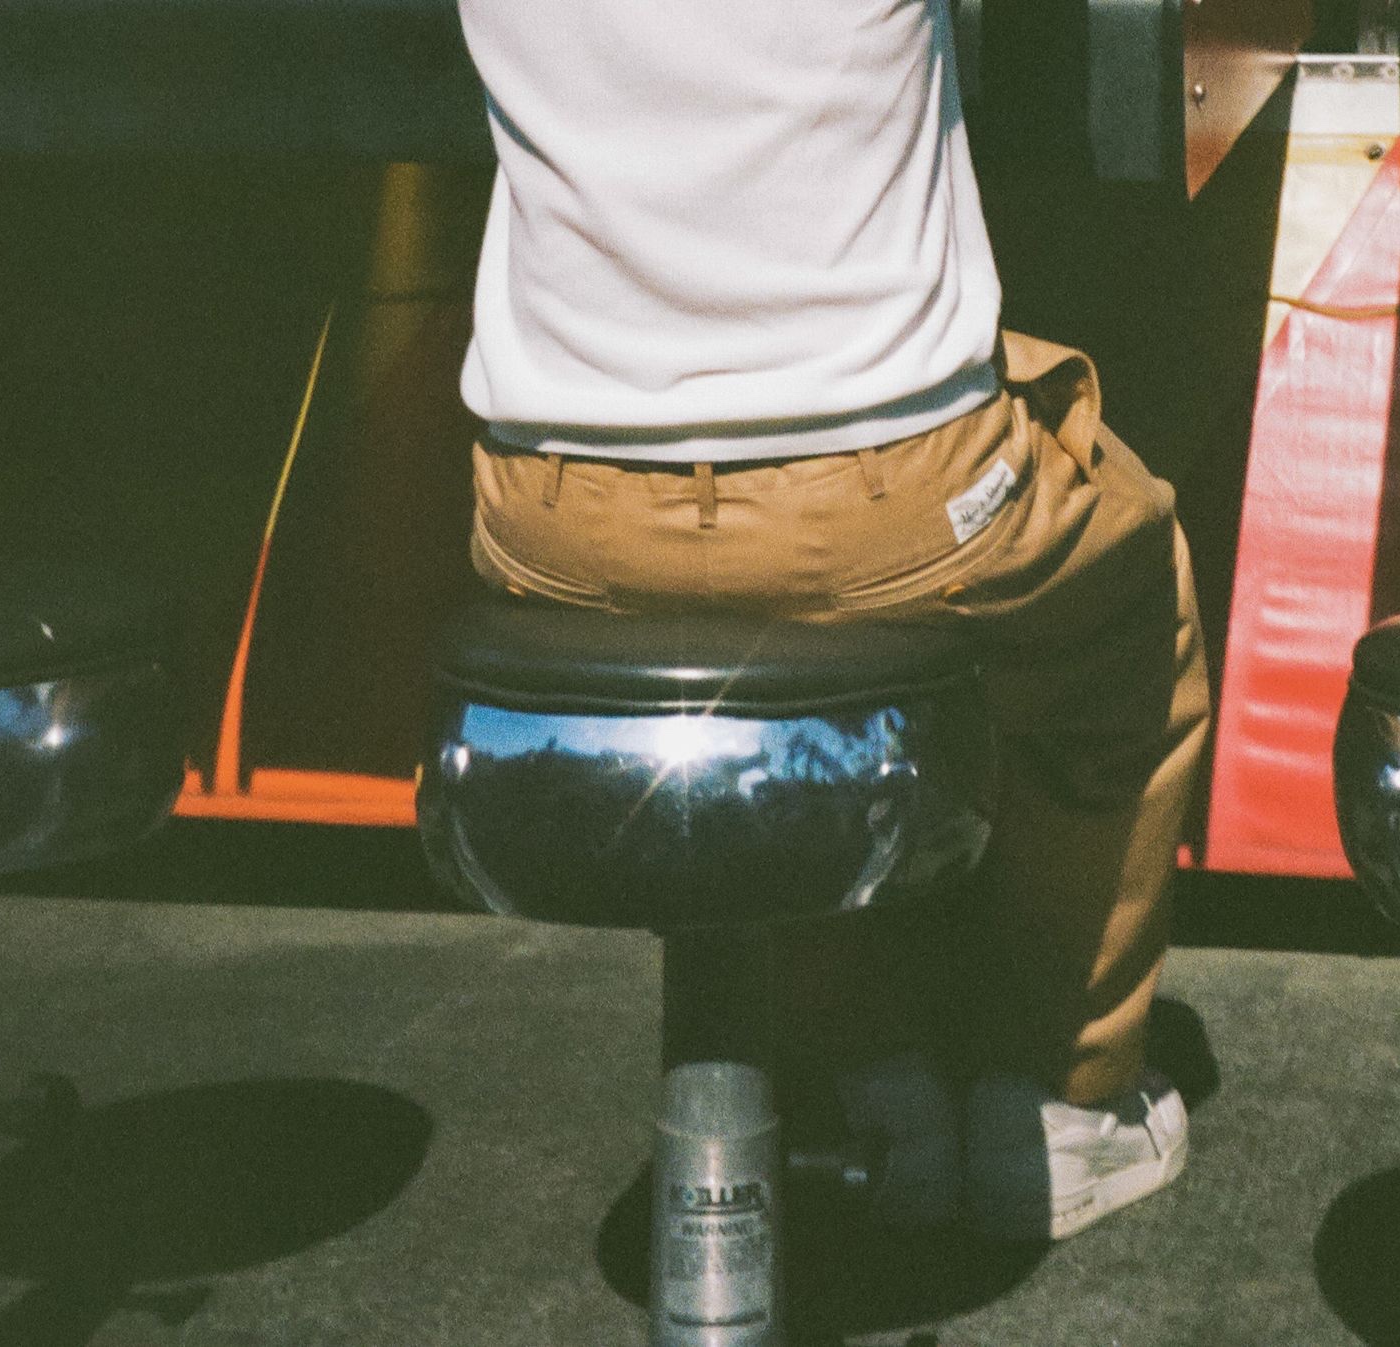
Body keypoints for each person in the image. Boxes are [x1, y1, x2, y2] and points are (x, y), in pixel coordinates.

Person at [453, 0, 1211, 1240]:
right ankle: (1064, 1108)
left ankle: (872, 1084)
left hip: (551, 507)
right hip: (889, 490)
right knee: (1128, 608)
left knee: (756, 674)